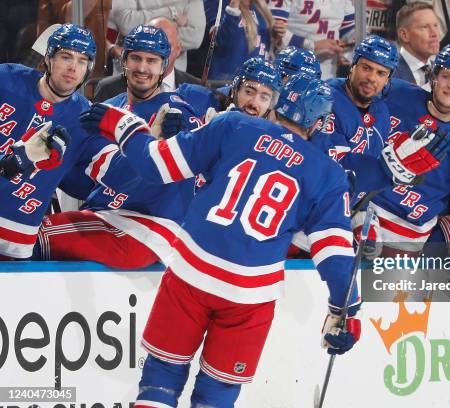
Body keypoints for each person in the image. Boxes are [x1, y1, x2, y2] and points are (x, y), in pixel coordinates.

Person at [80, 74, 361, 407]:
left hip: (190, 273)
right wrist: (346, 312)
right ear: (318, 122)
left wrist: (122, 124)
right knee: (216, 395)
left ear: (277, 103)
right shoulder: (329, 175)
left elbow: (156, 165)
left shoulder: (233, 125)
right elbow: (336, 256)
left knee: (161, 380)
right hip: (249, 296)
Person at [33, 24, 217, 269]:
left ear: (164, 66)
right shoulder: (108, 106)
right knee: (25, 229)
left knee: (29, 240)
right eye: (136, 58)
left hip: (146, 227)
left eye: (151, 61)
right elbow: (86, 181)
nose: (142, 68)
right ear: (124, 61)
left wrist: (167, 144)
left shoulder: (176, 113)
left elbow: (181, 176)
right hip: (106, 216)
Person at [0, 23, 133, 260]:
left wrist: (148, 142)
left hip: (16, 240)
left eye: (82, 60)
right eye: (65, 56)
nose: (73, 67)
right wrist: (10, 162)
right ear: (49, 58)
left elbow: (115, 175)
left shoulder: (86, 119)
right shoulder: (6, 80)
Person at [367, 44, 450, 272]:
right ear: (433, 77)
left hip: (407, 234)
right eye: (446, 76)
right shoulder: (396, 93)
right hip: (363, 211)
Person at [93, 16, 201, 103]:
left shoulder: (198, 89)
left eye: (165, 47)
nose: (142, 68)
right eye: (136, 58)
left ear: (178, 49)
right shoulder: (108, 89)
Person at [268, 0, 355, 79]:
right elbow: (271, 30)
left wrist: (346, 52)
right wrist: (311, 46)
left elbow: (351, 33)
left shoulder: (345, 2)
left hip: (326, 76)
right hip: (288, 72)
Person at [110, 0, 205, 72]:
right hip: (131, 71)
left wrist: (143, 36)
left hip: (171, 76)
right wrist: (171, 12)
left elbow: (195, 37)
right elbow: (125, 22)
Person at [393, 2, 441, 87]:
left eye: (435, 25)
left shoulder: (441, 72)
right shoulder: (388, 74)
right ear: (404, 35)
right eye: (425, 27)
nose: (435, 34)